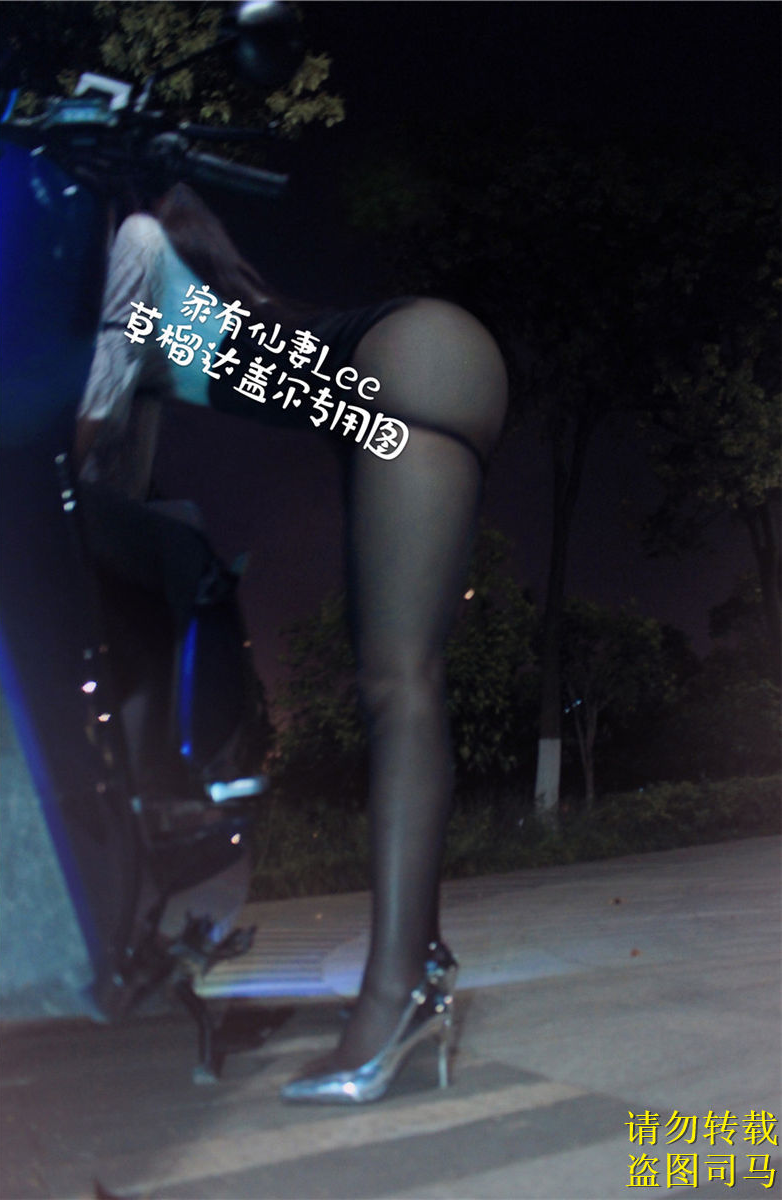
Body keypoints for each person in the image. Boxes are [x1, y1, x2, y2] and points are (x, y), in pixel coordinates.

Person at [75, 182, 508, 1103]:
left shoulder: (130, 250)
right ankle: (420, 964)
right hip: (406, 368)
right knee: (398, 677)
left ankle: (393, 998)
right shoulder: (176, 289)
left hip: (403, 364)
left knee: (396, 684)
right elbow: (121, 474)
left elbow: (80, 447)